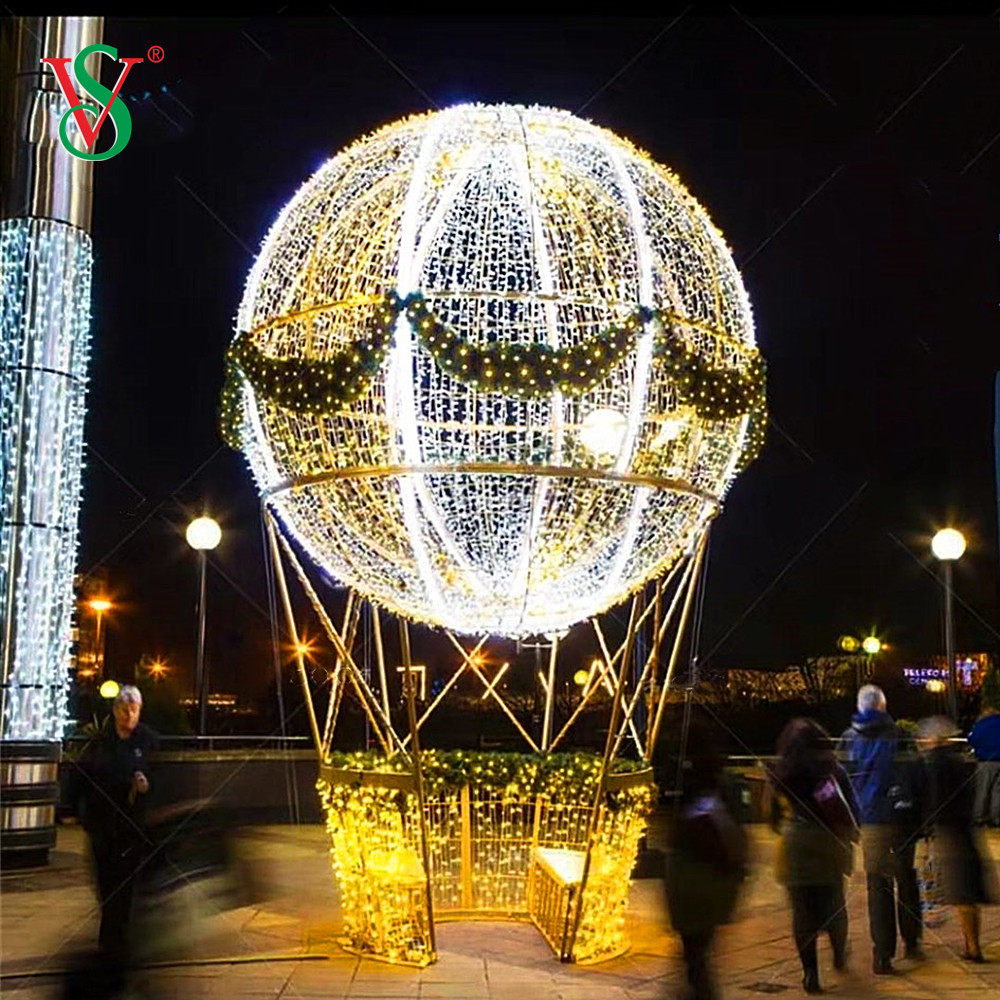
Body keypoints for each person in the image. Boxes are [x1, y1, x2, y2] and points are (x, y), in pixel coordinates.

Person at [768, 718, 858, 994]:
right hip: (829, 845)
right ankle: (839, 955)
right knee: (834, 904)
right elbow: (851, 808)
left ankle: (810, 974)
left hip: (794, 846)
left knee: (801, 913)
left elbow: (772, 820)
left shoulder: (780, 775)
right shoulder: (833, 771)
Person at [839, 684, 922, 974]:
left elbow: (841, 781)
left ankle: (882, 954)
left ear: (860, 707)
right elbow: (915, 774)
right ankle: (912, 938)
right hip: (901, 818)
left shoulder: (848, 739)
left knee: (879, 883)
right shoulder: (900, 736)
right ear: (883, 707)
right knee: (906, 877)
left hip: (870, 819)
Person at [663, 719, 748, 1000]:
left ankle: (699, 993)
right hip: (713, 880)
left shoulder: (679, 778)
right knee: (698, 953)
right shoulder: (720, 779)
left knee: (694, 955)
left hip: (686, 877)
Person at [73, 685, 158, 961]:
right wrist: (73, 806)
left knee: (126, 884)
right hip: (102, 824)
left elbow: (159, 775)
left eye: (134, 710)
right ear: (115, 711)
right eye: (124, 709)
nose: (129, 715)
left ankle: (116, 941)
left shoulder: (147, 740)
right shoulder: (101, 741)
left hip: (131, 826)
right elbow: (83, 776)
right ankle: (111, 937)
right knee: (105, 883)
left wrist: (146, 786)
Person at [916, 715, 995, 962]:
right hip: (966, 830)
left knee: (961, 891)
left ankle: (973, 947)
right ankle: (973, 944)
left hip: (949, 832)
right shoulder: (959, 762)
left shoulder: (933, 764)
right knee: (968, 891)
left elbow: (932, 800)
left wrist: (927, 828)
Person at [967, 706, 1000, 827]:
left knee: (982, 790)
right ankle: (996, 818)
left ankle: (979, 817)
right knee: (998, 792)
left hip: (985, 761)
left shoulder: (981, 725)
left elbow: (972, 739)